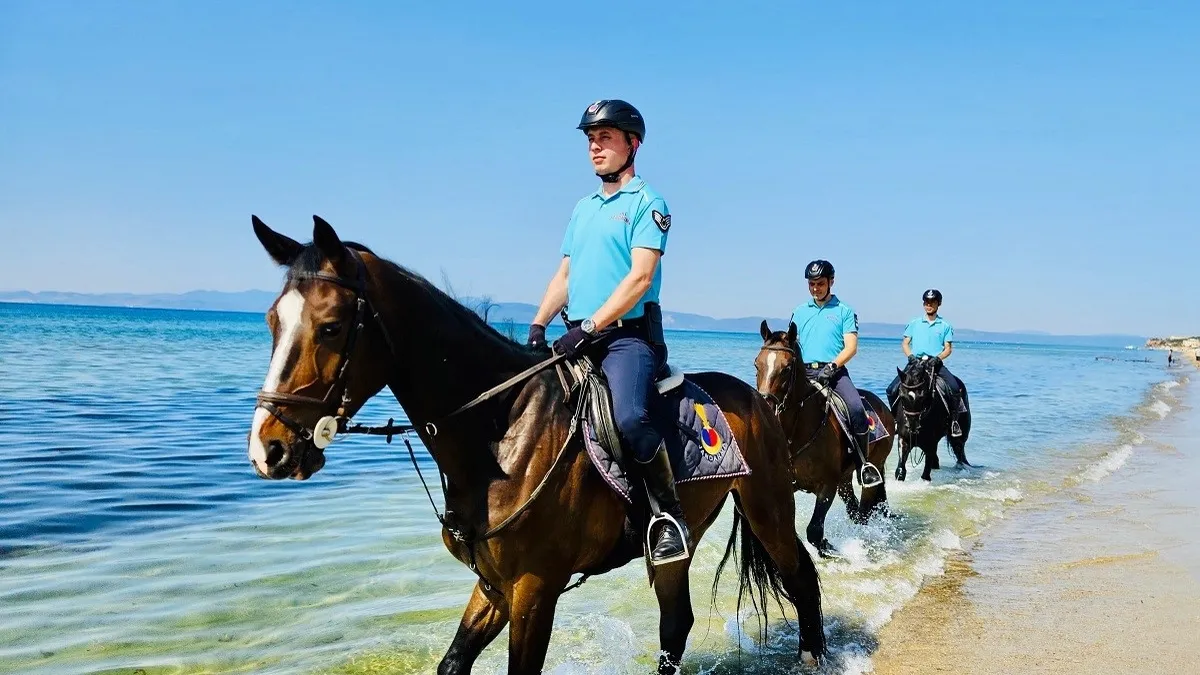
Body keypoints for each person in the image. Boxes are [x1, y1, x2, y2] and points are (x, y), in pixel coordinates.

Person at [525, 100, 688, 566]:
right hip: (577, 335)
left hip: (626, 339)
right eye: (591, 139)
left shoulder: (648, 203)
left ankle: (667, 516)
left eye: (606, 138)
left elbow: (639, 278)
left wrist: (592, 325)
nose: (595, 146)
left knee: (631, 417)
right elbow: (565, 275)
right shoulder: (583, 208)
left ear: (632, 144)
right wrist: (538, 323)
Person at [789, 259, 884, 488]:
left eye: (820, 283)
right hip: (805, 373)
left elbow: (851, 347)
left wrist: (832, 367)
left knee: (855, 409)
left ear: (831, 282)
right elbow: (792, 344)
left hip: (834, 372)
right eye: (811, 284)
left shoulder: (844, 311)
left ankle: (864, 466)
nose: (815, 288)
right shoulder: (799, 312)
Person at [887, 289, 965, 437]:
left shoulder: (945, 325)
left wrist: (938, 358)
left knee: (955, 388)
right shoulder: (914, 323)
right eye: (926, 303)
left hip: (934, 363)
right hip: (915, 363)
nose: (929, 305)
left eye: (932, 303)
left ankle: (954, 422)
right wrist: (910, 356)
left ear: (938, 304)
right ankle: (895, 419)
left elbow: (948, 349)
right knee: (891, 389)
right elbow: (905, 343)